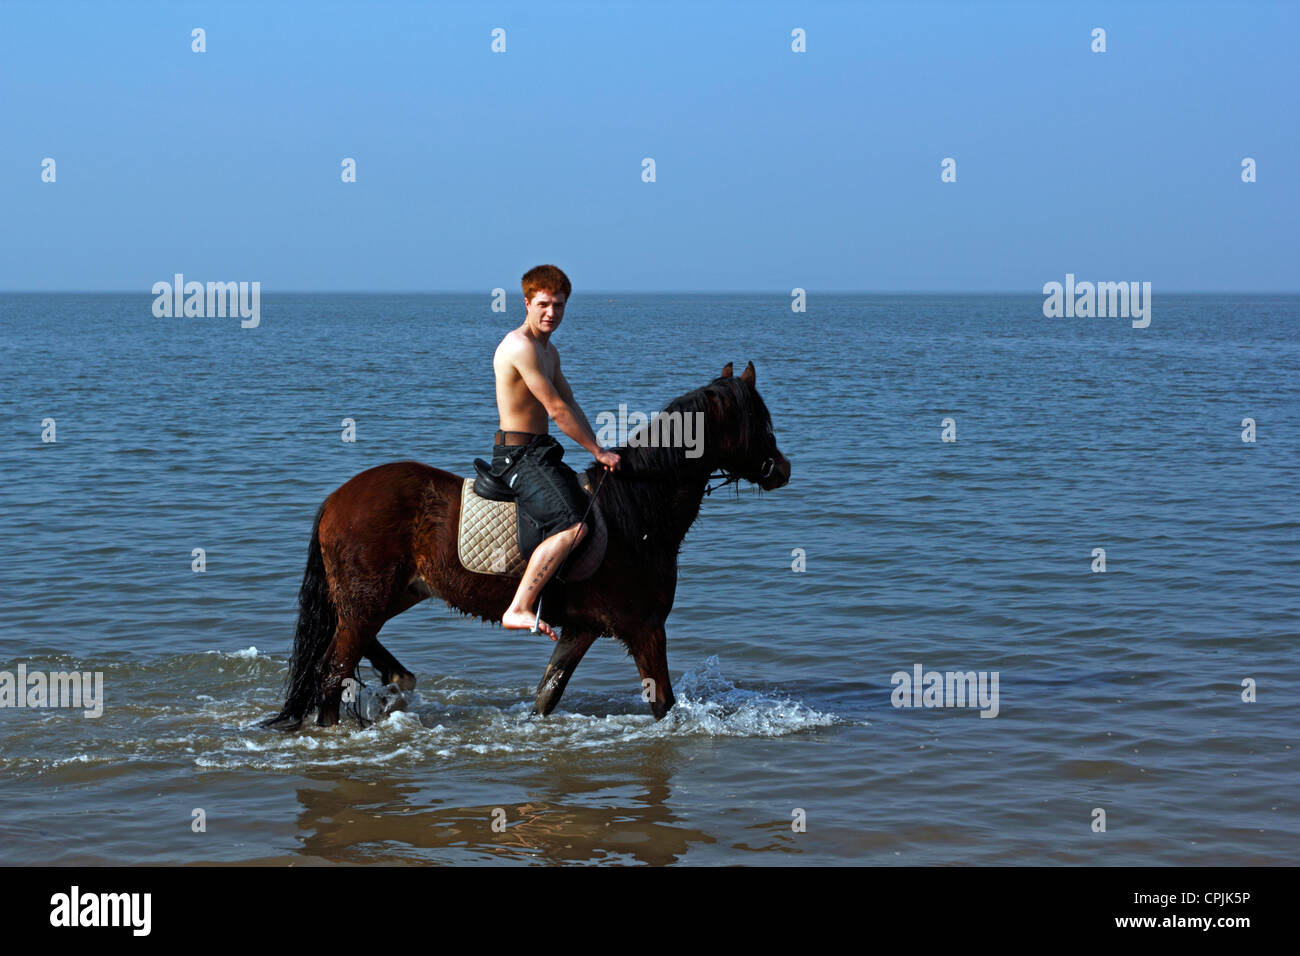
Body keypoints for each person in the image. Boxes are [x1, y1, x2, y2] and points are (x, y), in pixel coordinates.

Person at [492, 265, 620, 639]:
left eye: (559, 306)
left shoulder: (549, 350)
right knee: (574, 527)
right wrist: (595, 450)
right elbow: (556, 410)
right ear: (527, 302)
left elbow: (571, 401)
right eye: (544, 304)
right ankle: (518, 607)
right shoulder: (520, 347)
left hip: (541, 453)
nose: (552, 313)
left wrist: (602, 451)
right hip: (517, 457)